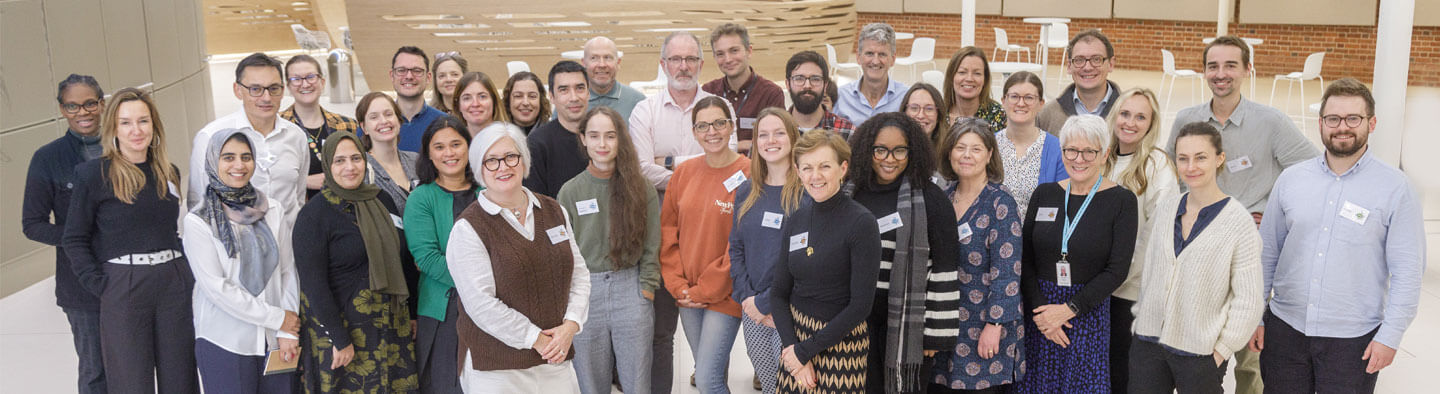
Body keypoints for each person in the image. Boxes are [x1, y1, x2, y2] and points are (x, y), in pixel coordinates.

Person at [1165, 37, 1318, 393]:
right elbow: (1171, 177)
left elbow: (1312, 171)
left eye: (1231, 65)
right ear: (1204, 71)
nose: (1221, 74)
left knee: (1252, 358)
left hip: (1250, 256)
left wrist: (1274, 213)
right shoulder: (1187, 120)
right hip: (1199, 253)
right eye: (1213, 66)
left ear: (1248, 69)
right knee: (1200, 355)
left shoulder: (1271, 122)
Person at [1253, 79, 1425, 393]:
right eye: (1333, 119)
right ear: (1320, 124)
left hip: (1352, 341)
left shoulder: (1396, 189)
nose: (1342, 127)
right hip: (1285, 332)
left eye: (1353, 119)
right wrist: (1255, 316)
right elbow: (1267, 254)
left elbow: (1408, 271)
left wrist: (1390, 335)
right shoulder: (1292, 180)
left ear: (1371, 123)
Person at [63, 87, 198, 393]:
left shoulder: (169, 172)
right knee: (130, 381)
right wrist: (100, 284)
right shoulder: (93, 175)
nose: (136, 130)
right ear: (113, 128)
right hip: (123, 284)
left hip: (172, 283)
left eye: (143, 121)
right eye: (126, 122)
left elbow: (172, 230)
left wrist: (185, 274)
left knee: (181, 378)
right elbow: (74, 238)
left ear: (154, 126)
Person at [446, 123, 591, 392]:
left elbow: (579, 274)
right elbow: (481, 304)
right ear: (479, 169)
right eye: (492, 161)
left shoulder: (554, 210)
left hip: (554, 359)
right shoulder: (468, 229)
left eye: (511, 157)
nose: (503, 167)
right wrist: (535, 338)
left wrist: (571, 325)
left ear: (524, 161)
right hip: (497, 369)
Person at [628, 34, 735, 393]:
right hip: (670, 241)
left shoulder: (719, 107)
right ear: (663, 65)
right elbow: (640, 168)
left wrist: (672, 163)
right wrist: (695, 171)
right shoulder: (646, 110)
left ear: (701, 64)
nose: (684, 66)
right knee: (666, 335)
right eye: (676, 59)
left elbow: (726, 160)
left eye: (691, 59)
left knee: (708, 367)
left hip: (719, 247)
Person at [1128, 122, 1263, 394]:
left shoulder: (1238, 221)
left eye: (1201, 157)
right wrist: (1142, 320)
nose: (1191, 167)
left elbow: (1249, 299)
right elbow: (1151, 273)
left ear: (1219, 158)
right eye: (1183, 158)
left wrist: (1222, 350)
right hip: (1149, 342)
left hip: (1201, 351)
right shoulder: (1168, 207)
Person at [1014, 115, 1137, 393]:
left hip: (1086, 315)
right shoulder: (1044, 194)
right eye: (1071, 150)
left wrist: (1067, 310)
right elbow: (1026, 258)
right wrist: (1042, 315)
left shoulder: (1122, 201)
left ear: (1104, 154)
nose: (1078, 159)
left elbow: (1117, 270)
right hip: (1040, 312)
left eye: (1088, 151)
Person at [292, 131, 419, 393]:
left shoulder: (382, 200)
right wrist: (339, 338)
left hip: (392, 326)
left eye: (355, 158)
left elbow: (404, 259)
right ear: (328, 165)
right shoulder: (313, 215)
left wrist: (413, 312)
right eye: (339, 161)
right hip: (345, 333)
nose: (349, 167)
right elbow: (314, 285)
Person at [846, 113, 961, 393]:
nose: (890, 158)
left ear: (913, 152)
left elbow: (945, 269)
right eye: (880, 149)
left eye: (900, 150)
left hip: (908, 325)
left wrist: (935, 335)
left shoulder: (932, 200)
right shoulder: (849, 193)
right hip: (852, 319)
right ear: (867, 150)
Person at [184, 128, 302, 393]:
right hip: (225, 341)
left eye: (246, 156)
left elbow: (288, 271)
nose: (239, 165)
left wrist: (287, 331)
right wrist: (276, 318)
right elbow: (217, 289)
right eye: (228, 157)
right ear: (213, 162)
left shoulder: (272, 210)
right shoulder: (199, 220)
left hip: (276, 340)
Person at [559, 106, 661, 394]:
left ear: (621, 140)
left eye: (610, 136)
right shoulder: (570, 192)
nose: (602, 144)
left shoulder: (641, 188)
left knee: (637, 383)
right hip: (586, 292)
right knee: (591, 384)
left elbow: (653, 243)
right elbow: (564, 250)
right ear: (583, 139)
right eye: (594, 136)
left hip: (631, 287)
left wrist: (647, 289)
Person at [772, 129, 879, 393]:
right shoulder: (796, 219)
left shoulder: (862, 223)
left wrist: (805, 352)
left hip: (842, 345)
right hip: (795, 340)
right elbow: (778, 294)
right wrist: (794, 353)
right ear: (798, 172)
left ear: (843, 168)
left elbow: (861, 306)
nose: (815, 176)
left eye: (824, 166)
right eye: (807, 167)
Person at [22, 74, 107, 394]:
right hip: (81, 285)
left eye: (89, 103)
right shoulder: (47, 158)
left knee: (133, 363)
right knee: (95, 370)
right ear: (62, 110)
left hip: (132, 277)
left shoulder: (126, 146)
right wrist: (81, 238)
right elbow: (32, 224)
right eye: (72, 106)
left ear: (102, 104)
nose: (82, 112)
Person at [660, 96, 750, 393]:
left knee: (708, 379)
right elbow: (668, 232)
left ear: (731, 126)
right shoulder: (684, 173)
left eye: (719, 123)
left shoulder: (750, 174)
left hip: (725, 294)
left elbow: (741, 243)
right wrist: (678, 286)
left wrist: (703, 290)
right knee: (709, 372)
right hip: (687, 293)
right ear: (694, 131)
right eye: (703, 125)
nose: (712, 131)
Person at [929, 119, 1025, 393]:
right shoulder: (942, 197)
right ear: (949, 153)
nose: (967, 155)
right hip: (945, 322)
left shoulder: (1000, 202)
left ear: (990, 155)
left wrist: (994, 325)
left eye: (976, 149)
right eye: (960, 148)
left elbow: (1007, 270)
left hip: (985, 324)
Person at [189, 52, 309, 248]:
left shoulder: (296, 136)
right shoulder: (211, 136)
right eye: (255, 89)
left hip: (289, 247)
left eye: (274, 88)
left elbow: (298, 196)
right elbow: (198, 202)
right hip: (235, 251)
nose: (266, 97)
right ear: (238, 90)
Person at [1102, 88, 1177, 392]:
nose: (1130, 123)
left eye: (1140, 116)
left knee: (1124, 374)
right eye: (1125, 114)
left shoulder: (1157, 166)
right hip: (1096, 290)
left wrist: (1117, 276)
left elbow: (1155, 236)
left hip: (1131, 291)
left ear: (1151, 123)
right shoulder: (1100, 158)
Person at [728, 108, 805, 394]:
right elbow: (736, 247)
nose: (770, 140)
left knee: (795, 387)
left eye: (779, 133)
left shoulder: (807, 193)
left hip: (792, 313)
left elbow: (804, 260)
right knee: (771, 387)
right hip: (752, 312)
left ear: (793, 138)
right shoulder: (747, 191)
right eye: (763, 135)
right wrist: (747, 298)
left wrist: (767, 303)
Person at [404, 116, 475, 394]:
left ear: (469, 147)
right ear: (429, 154)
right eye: (440, 147)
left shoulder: (489, 192)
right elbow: (427, 259)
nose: (449, 153)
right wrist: (478, 285)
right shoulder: (421, 198)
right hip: (443, 311)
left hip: (493, 307)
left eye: (456, 144)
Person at [278, 55, 360, 200]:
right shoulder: (278, 127)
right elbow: (269, 178)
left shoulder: (348, 125)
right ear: (288, 87)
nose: (305, 84)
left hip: (346, 210)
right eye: (296, 79)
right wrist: (305, 182)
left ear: (322, 82)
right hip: (298, 212)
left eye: (311, 77)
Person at [703, 23, 786, 154]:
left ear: (749, 51)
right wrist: (739, 145)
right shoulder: (708, 92)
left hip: (756, 170)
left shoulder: (771, 93)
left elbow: (777, 140)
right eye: (720, 54)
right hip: (717, 168)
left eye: (734, 50)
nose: (728, 59)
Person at [995, 71, 1066, 215]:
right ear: (1003, 101)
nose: (1021, 103)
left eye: (1029, 98)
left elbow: (1060, 204)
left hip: (1038, 234)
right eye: (1014, 97)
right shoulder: (989, 145)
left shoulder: (1057, 150)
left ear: (1041, 104)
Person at [524, 61, 591, 198]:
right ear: (552, 97)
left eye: (579, 88)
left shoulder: (604, 136)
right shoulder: (537, 144)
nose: (574, 97)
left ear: (588, 93)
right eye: (564, 90)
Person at [1035, 30, 1122, 133]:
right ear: (1069, 66)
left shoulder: (1129, 114)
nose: (1088, 67)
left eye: (1096, 59)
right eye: (1079, 60)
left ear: (1111, 64)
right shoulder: (1047, 116)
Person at [357, 92, 419, 213]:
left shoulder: (416, 160)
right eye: (374, 117)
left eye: (389, 114)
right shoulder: (362, 169)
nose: (384, 121)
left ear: (399, 120)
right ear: (364, 127)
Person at [835, 23, 909, 125]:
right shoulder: (840, 97)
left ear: (893, 59)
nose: (875, 61)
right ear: (858, 57)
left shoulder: (906, 97)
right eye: (869, 53)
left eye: (882, 54)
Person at [784, 51, 855, 138]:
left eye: (815, 79)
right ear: (787, 84)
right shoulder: (775, 129)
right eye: (799, 79)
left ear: (825, 85)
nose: (807, 86)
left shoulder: (847, 132)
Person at [389, 46, 446, 152]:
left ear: (428, 77)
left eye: (417, 70)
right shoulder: (376, 125)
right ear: (392, 76)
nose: (409, 76)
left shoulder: (445, 123)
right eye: (401, 70)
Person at [581, 36, 646, 119]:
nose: (602, 64)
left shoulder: (637, 102)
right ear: (584, 63)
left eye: (608, 57)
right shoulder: (573, 103)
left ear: (618, 63)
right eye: (594, 58)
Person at [942, 47, 1006, 131]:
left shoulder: (998, 115)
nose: (969, 79)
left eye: (977, 73)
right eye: (962, 72)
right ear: (951, 76)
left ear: (985, 79)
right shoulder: (939, 114)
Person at [452, 71, 507, 137]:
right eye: (467, 98)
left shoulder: (509, 140)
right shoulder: (452, 142)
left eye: (482, 97)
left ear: (494, 101)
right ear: (458, 105)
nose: (475, 104)